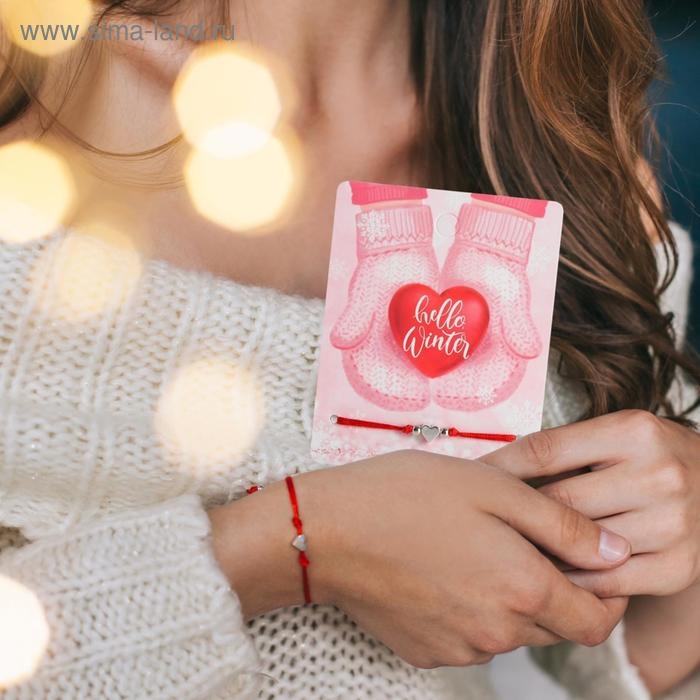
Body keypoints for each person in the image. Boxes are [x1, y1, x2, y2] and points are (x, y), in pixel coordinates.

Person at [0, 1, 698, 698]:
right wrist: (293, 545)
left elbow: (596, 660)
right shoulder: (31, 84)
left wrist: (671, 535)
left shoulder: (557, 140)